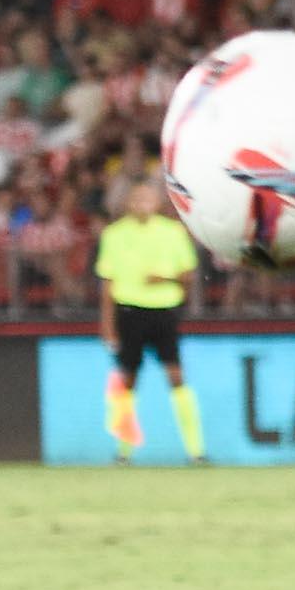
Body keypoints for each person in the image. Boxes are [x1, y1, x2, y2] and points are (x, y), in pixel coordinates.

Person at [93, 173, 205, 465]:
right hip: (129, 311)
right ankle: (123, 451)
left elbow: (190, 275)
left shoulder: (173, 232)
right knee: (128, 380)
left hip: (164, 311)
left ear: (156, 202)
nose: (142, 203)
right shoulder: (113, 235)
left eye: (147, 198)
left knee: (176, 376)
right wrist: (107, 326)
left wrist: (164, 278)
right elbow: (106, 284)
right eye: (137, 198)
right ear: (129, 204)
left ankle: (196, 450)